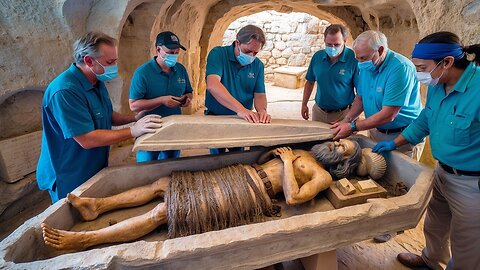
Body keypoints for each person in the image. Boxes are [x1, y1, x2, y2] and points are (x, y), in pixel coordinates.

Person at [40, 139, 385, 251]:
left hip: (254, 194)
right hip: (240, 174)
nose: (336, 146)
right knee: (165, 186)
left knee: (169, 212)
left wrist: (285, 162)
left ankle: (85, 240)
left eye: (343, 149)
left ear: (345, 162)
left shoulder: (322, 174)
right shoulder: (308, 150)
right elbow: (266, 158)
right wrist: (277, 156)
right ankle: (96, 205)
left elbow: (294, 199)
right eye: (340, 141)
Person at [373, 31, 480, 270]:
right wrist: (395, 142)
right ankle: (432, 260)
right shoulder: (438, 84)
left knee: (467, 241)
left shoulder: (478, 90)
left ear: (447, 62)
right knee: (435, 223)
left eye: (422, 67)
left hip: (472, 182)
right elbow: (425, 119)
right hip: (442, 172)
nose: (420, 73)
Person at [36, 32, 163, 204]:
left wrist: (134, 119)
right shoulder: (65, 91)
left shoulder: (96, 80)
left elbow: (106, 115)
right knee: (73, 219)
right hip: (69, 172)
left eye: (115, 60)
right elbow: (86, 139)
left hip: (92, 165)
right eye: (110, 62)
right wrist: (134, 131)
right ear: (89, 61)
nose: (115, 66)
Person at [331, 30, 424, 161]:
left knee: (399, 179)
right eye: (357, 58)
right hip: (375, 130)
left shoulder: (400, 68)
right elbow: (361, 98)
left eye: (363, 58)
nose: (360, 62)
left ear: (380, 50)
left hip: (401, 136)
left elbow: (389, 114)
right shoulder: (366, 66)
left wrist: (353, 127)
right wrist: (347, 119)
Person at [205, 24, 271, 154]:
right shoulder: (218, 54)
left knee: (238, 155)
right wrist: (240, 109)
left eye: (255, 53)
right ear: (237, 43)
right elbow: (212, 84)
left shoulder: (258, 65)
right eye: (247, 52)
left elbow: (259, 94)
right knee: (216, 158)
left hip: (242, 120)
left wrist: (262, 110)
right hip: (217, 117)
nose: (251, 56)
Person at [129, 31, 193, 162]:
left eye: (176, 53)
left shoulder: (180, 69)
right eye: (170, 53)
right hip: (149, 129)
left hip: (173, 128)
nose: (174, 56)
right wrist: (161, 100)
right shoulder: (143, 73)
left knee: (171, 165)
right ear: (158, 49)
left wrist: (186, 100)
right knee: (146, 167)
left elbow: (189, 92)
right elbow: (134, 105)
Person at [302, 24, 358, 124]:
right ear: (324, 41)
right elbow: (310, 82)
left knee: (344, 140)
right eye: (328, 44)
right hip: (319, 112)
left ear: (344, 41)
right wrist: (304, 104)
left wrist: (352, 115)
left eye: (336, 45)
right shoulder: (317, 57)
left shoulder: (353, 58)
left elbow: (360, 91)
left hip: (343, 114)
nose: (332, 48)